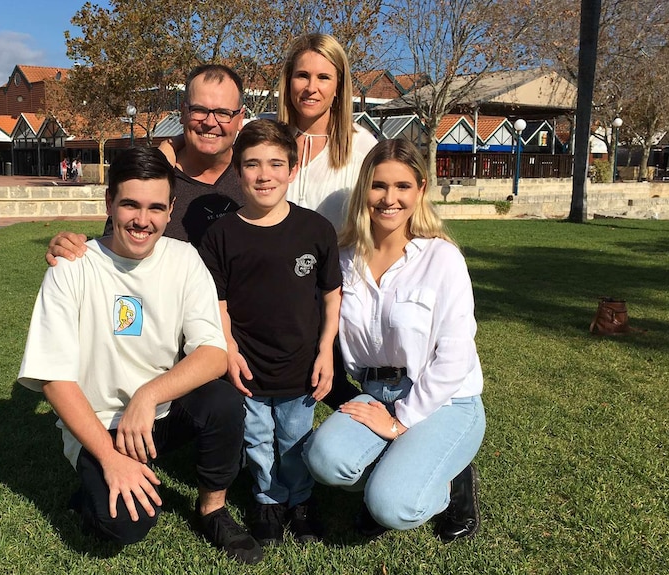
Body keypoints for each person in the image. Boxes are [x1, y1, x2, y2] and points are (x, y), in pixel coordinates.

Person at [18, 147, 263, 564]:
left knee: (223, 401)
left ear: (170, 210)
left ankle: (213, 508)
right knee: (126, 526)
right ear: (109, 203)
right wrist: (110, 459)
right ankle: (92, 486)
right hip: (100, 426)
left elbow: (213, 353)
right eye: (129, 204)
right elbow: (53, 377)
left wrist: (147, 396)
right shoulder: (71, 267)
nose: (141, 220)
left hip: (156, 416)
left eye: (154, 207)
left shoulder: (184, 260)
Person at [302, 139, 486, 543]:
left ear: (420, 190)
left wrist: (402, 419)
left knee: (392, 506)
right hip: (374, 392)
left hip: (444, 400)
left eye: (402, 186)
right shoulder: (344, 258)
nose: (389, 198)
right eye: (378, 186)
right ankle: (400, 467)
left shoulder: (442, 259)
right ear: (363, 190)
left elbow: (455, 357)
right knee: (325, 461)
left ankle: (450, 482)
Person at [199, 119, 342, 546]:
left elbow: (332, 295)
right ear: (238, 171)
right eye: (253, 164)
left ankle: (300, 500)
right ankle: (267, 499)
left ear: (293, 169)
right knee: (258, 438)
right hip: (248, 366)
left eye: (276, 164)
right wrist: (228, 349)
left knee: (296, 437)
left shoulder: (316, 229)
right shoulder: (221, 234)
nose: (265, 175)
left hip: (301, 365)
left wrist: (325, 351)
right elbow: (217, 303)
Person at [45, 64, 246, 262]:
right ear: (183, 112)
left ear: (240, 118)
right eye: (199, 110)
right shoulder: (150, 177)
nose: (210, 122)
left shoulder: (261, 178)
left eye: (223, 113)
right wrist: (71, 248)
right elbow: (112, 255)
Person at [277, 33, 378, 231]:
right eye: (302, 75)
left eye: (323, 77)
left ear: (338, 87)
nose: (311, 88)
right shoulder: (264, 139)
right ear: (289, 81)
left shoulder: (363, 147)